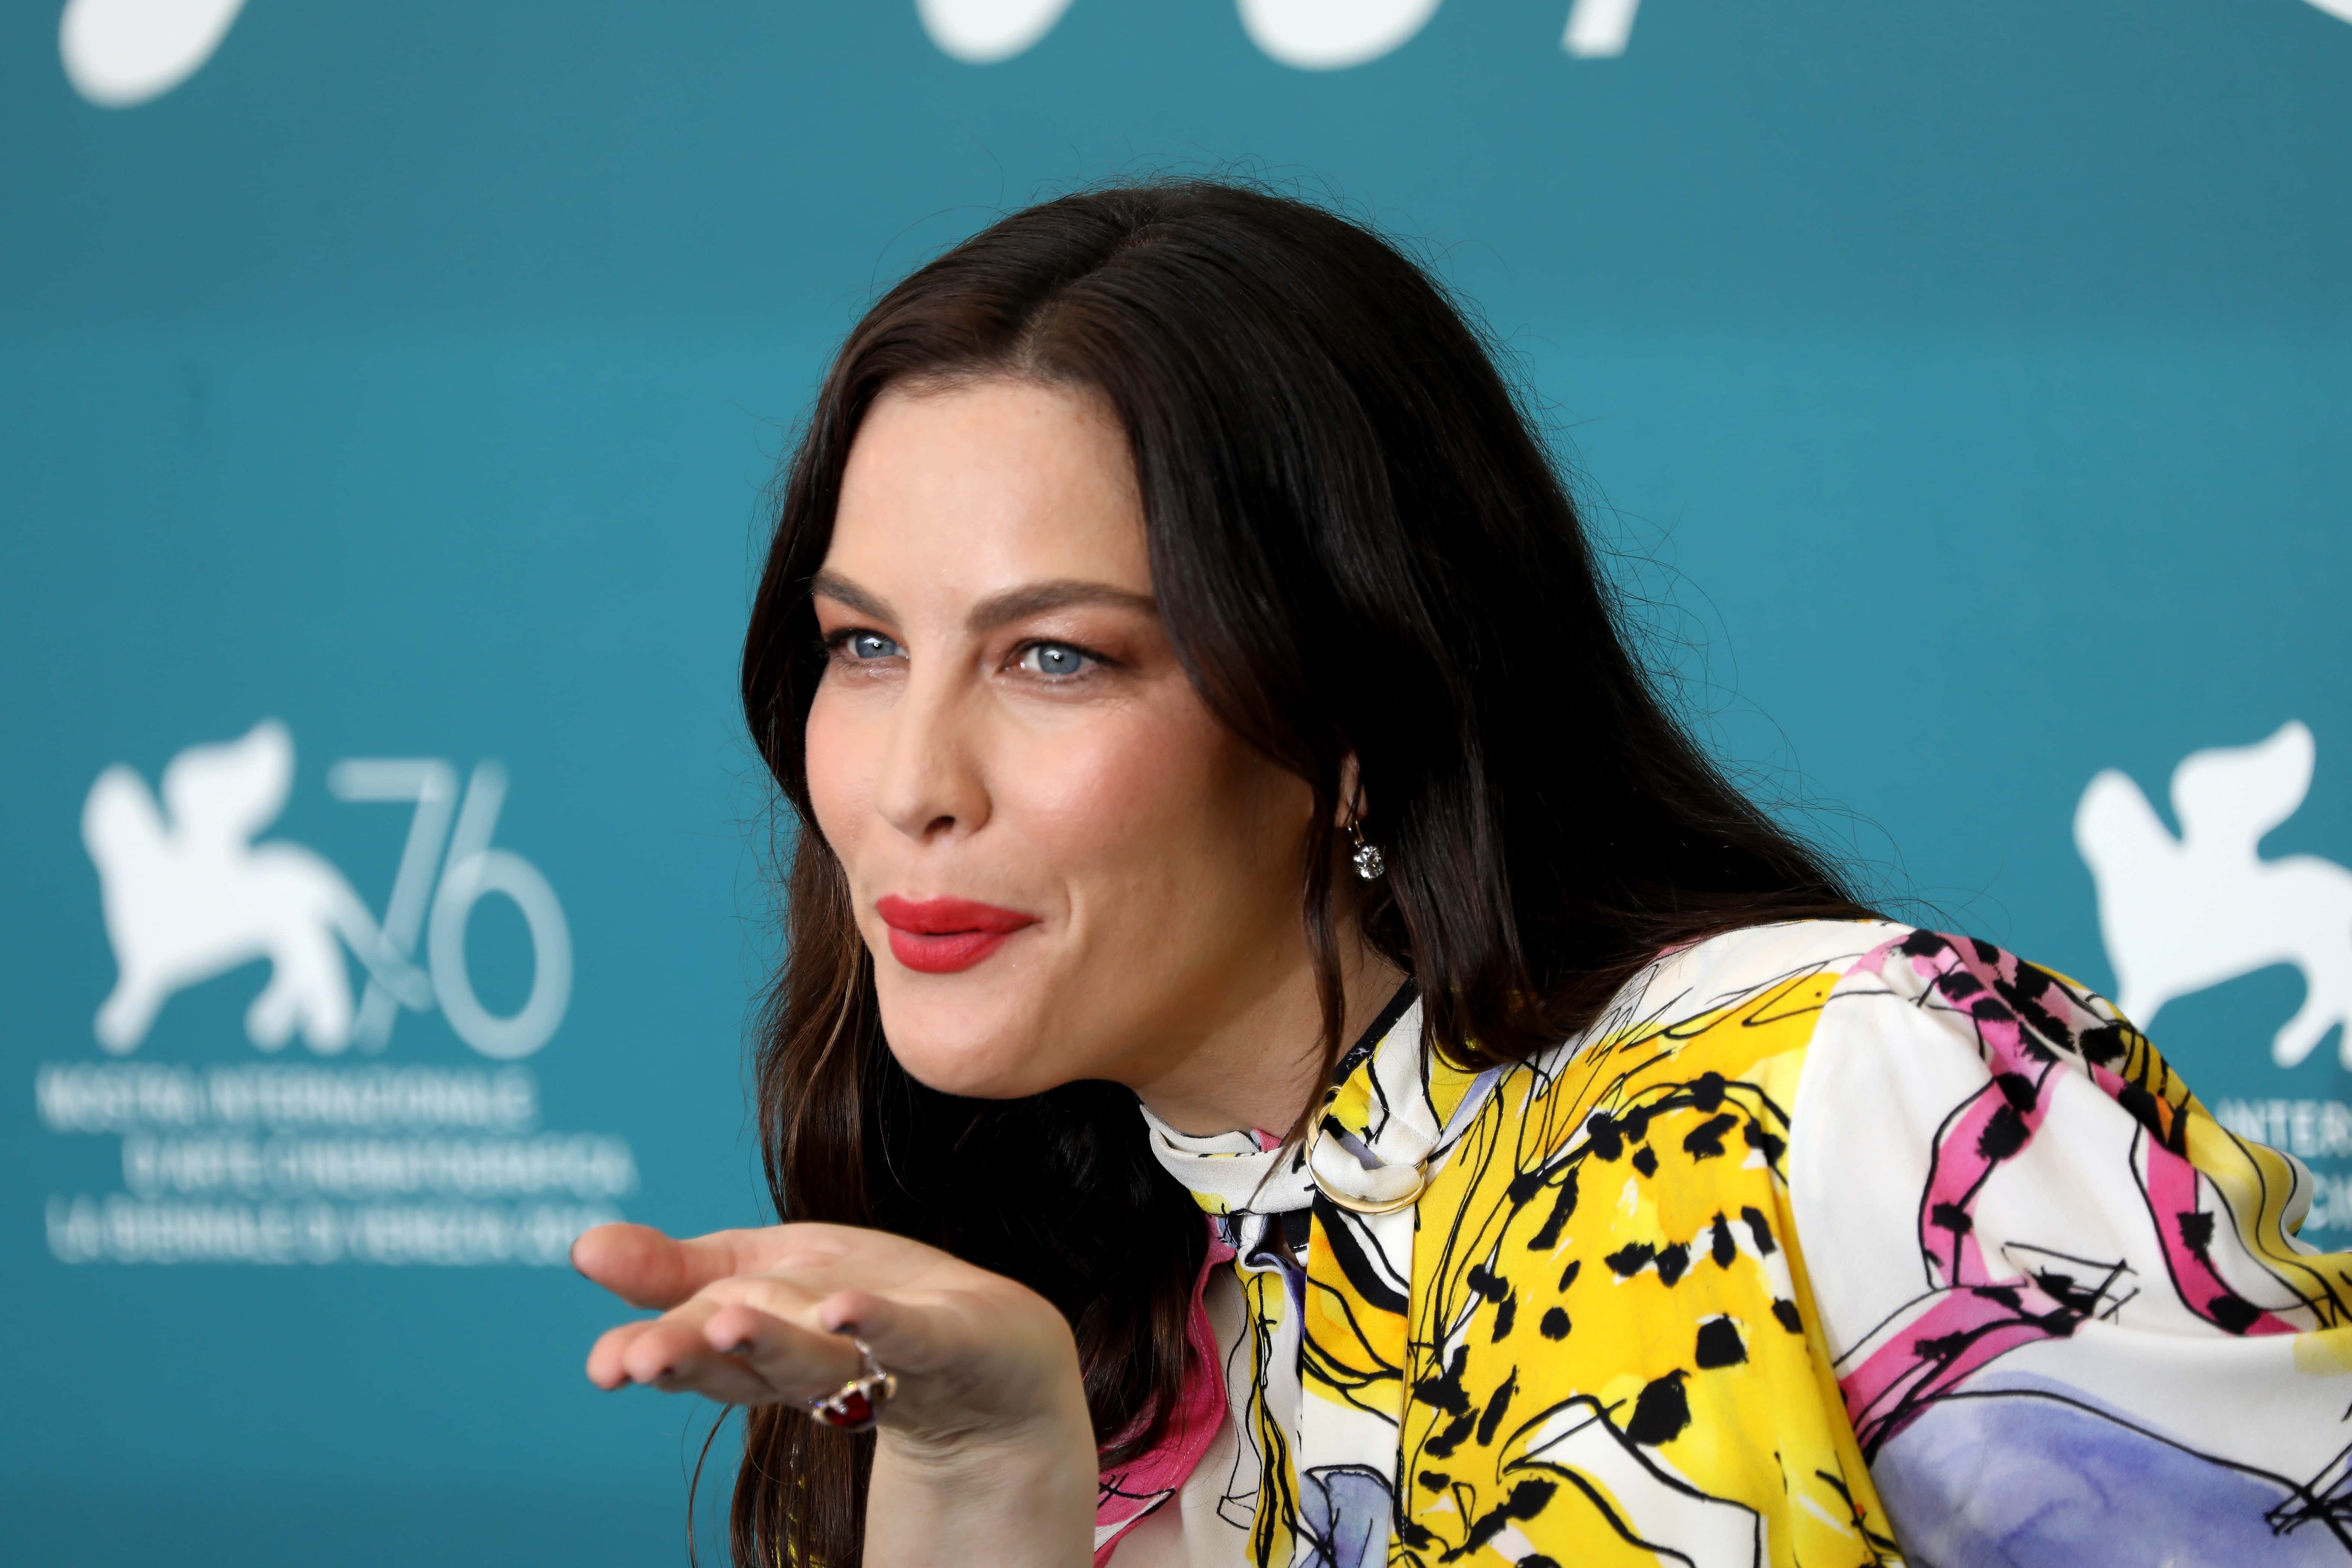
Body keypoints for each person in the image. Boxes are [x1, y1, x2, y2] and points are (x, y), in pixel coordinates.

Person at [572, 180, 2351, 1568]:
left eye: (1061, 659)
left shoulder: (1836, 1085)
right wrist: (982, 1464)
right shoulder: (1049, 1304)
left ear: (1350, 708)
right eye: (864, 648)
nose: (904, 787)